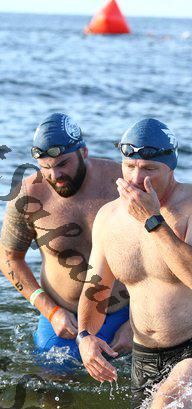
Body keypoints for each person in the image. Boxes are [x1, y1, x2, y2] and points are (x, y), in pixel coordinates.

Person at [77, 118, 192, 409]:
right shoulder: (108, 217)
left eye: (149, 169)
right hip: (146, 355)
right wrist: (85, 336)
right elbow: (96, 288)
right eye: (130, 166)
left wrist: (153, 220)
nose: (137, 178)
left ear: (170, 168)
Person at [0, 113, 132, 366]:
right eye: (45, 167)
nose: (55, 175)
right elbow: (9, 258)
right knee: (51, 382)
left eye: (63, 164)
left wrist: (137, 323)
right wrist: (50, 310)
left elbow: (158, 252)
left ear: (84, 152)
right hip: (64, 319)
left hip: (124, 312)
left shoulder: (122, 184)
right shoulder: (28, 196)